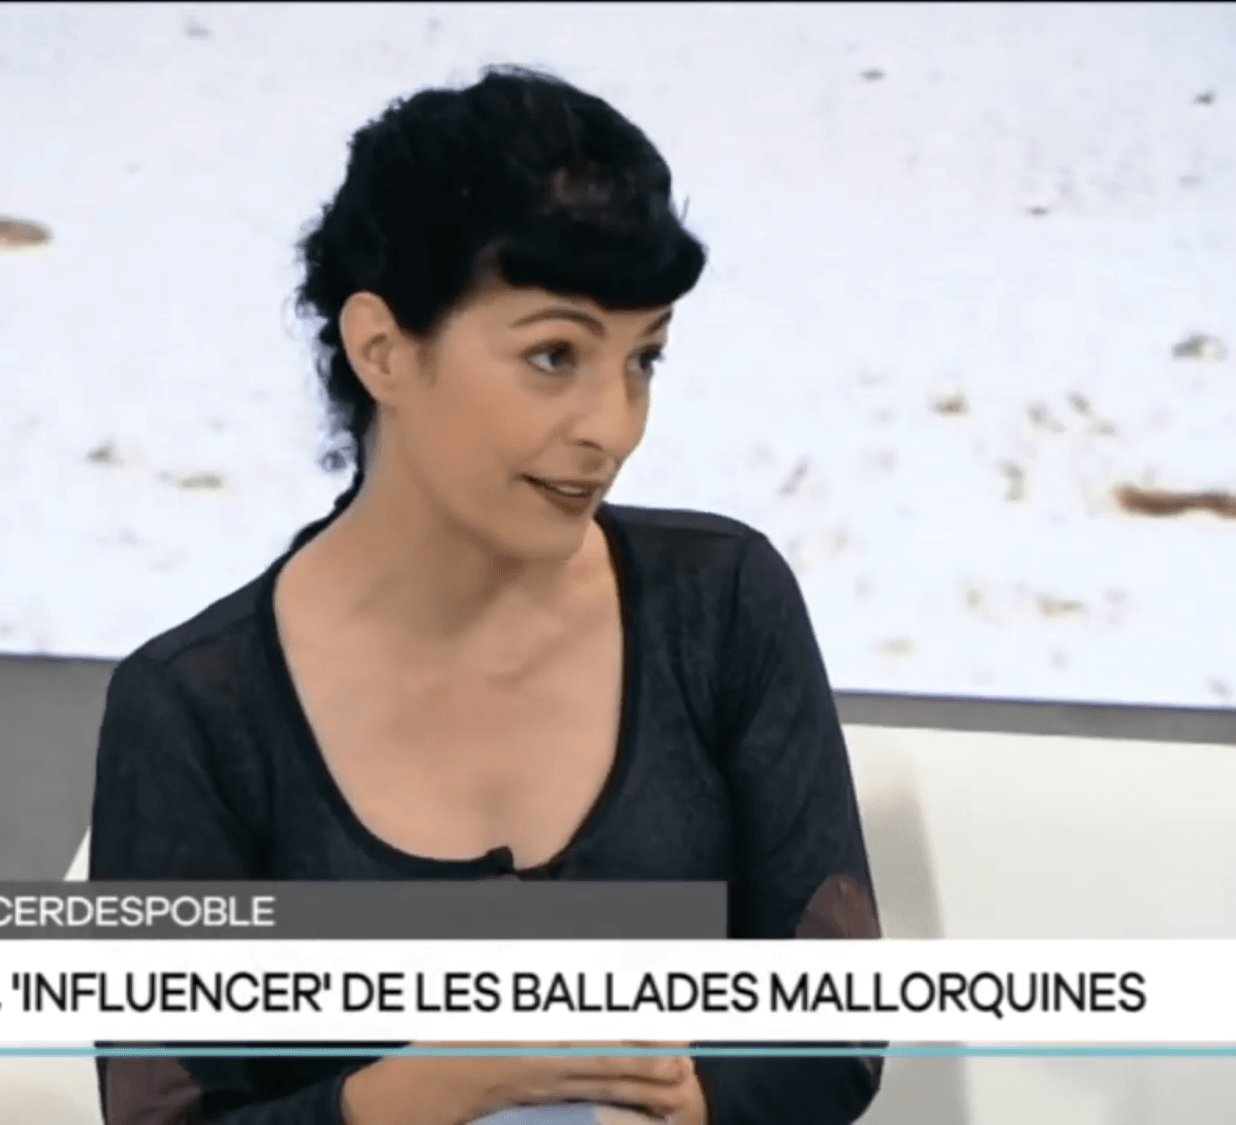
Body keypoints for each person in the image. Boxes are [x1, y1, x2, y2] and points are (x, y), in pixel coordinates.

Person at [90, 66, 883, 1125]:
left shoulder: (726, 603)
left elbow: (837, 1031)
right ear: (382, 350)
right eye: (554, 355)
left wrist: (666, 1107)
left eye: (644, 361)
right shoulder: (192, 709)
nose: (613, 427)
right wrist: (425, 1092)